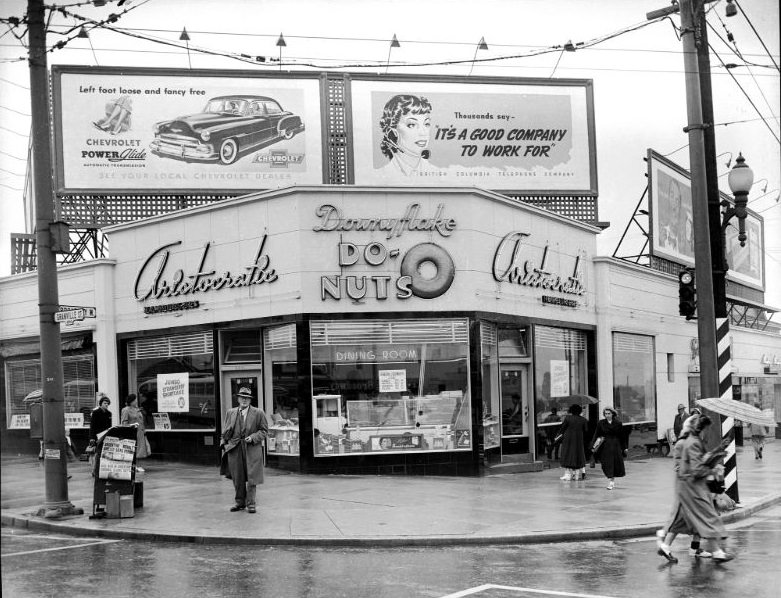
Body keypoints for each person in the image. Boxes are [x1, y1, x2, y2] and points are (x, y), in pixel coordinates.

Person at [659, 414, 733, 563]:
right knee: (707, 516)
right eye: (707, 429)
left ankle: (666, 546)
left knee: (685, 520)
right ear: (701, 428)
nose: (708, 432)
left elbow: (703, 459)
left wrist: (720, 448)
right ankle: (717, 552)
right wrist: (712, 471)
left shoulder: (695, 441)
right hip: (692, 487)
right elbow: (697, 469)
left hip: (690, 487)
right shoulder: (691, 443)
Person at [656, 414, 709, 562]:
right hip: (687, 488)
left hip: (693, 487)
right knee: (685, 519)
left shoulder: (694, 441)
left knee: (693, 520)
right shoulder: (683, 443)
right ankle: (666, 542)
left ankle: (690, 547)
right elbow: (680, 467)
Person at [221, 387, 268, 514]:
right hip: (234, 448)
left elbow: (264, 431)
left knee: (252, 477)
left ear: (250, 400)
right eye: (242, 397)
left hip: (251, 448)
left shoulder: (259, 413)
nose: (244, 400)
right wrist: (223, 444)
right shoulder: (230, 412)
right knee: (238, 477)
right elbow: (225, 430)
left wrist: (252, 437)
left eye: (247, 398)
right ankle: (240, 502)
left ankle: (251, 504)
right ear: (238, 399)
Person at [378, 94, 438, 177]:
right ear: (394, 131)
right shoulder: (381, 175)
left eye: (426, 124)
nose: (423, 132)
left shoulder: (436, 173)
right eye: (412, 125)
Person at [591, 408, 627, 490]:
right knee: (605, 463)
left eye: (609, 413)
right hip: (605, 446)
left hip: (615, 445)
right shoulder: (601, 423)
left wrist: (624, 447)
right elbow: (596, 434)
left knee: (613, 463)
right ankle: (610, 478)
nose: (607, 415)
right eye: (605, 413)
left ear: (613, 414)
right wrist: (593, 446)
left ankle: (611, 481)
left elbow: (622, 436)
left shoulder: (618, 423)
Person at [558, 403, 588, 481]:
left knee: (567, 454)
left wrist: (557, 437)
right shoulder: (583, 420)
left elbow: (562, 429)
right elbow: (586, 431)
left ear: (571, 410)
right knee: (577, 454)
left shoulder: (568, 418)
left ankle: (567, 474)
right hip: (579, 439)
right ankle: (576, 475)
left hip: (568, 439)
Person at [121, 393, 150, 459]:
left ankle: (137, 465)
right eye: (135, 400)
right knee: (133, 450)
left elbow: (141, 421)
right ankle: (133, 466)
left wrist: (144, 432)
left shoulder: (137, 409)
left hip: (140, 433)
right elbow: (124, 423)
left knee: (140, 451)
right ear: (131, 401)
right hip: (132, 433)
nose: (136, 401)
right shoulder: (126, 410)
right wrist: (127, 432)